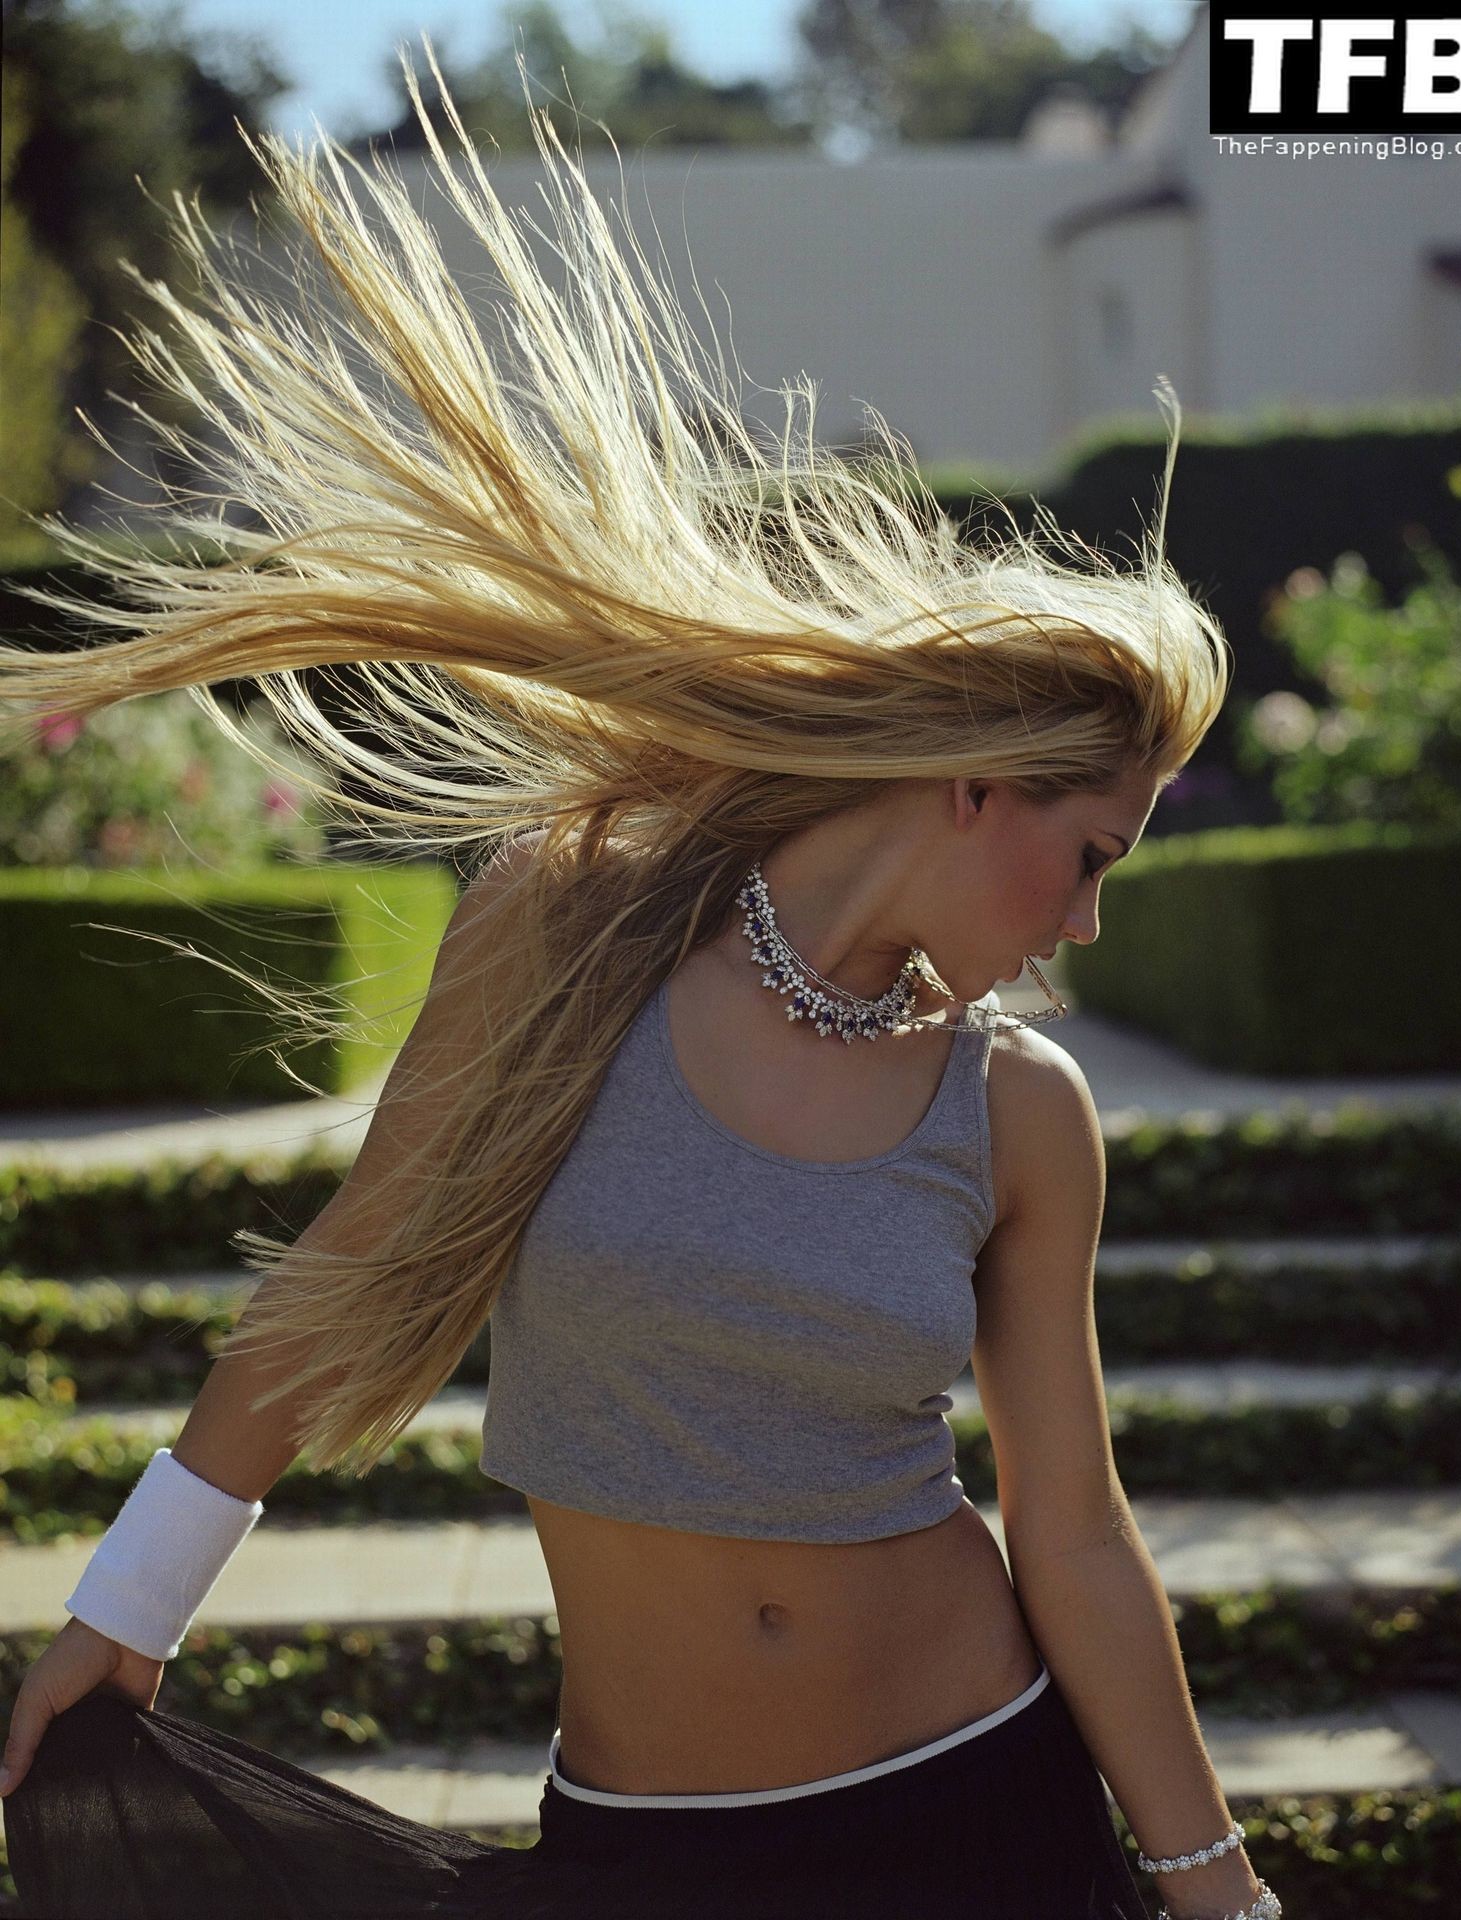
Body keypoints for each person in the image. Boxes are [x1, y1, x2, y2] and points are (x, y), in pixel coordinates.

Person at [0, 37, 1279, 1920]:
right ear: (978, 780)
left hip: (975, 1810)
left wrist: (1217, 1885)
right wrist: (130, 1604)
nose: (1089, 923)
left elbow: (1074, 1533)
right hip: (645, 1848)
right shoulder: (572, 925)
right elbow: (354, 1266)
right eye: (1092, 855)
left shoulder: (1021, 1109)